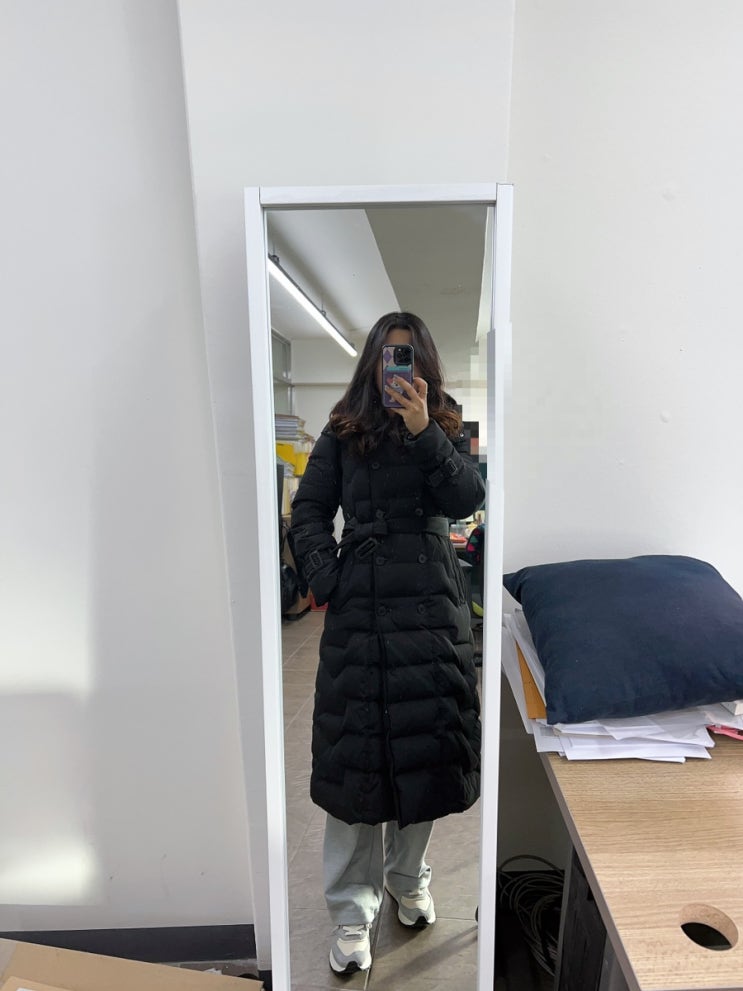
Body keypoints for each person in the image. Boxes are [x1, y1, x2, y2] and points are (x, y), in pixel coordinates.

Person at [289, 312, 485, 975]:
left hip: (430, 613)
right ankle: (351, 908)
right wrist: (328, 578)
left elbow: (465, 498)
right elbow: (309, 510)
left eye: (407, 355)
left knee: (423, 752)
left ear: (423, 363)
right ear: (371, 361)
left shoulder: (446, 423)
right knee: (357, 760)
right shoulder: (343, 428)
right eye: (386, 354)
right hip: (362, 612)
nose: (394, 366)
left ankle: (408, 879)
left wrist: (423, 428)